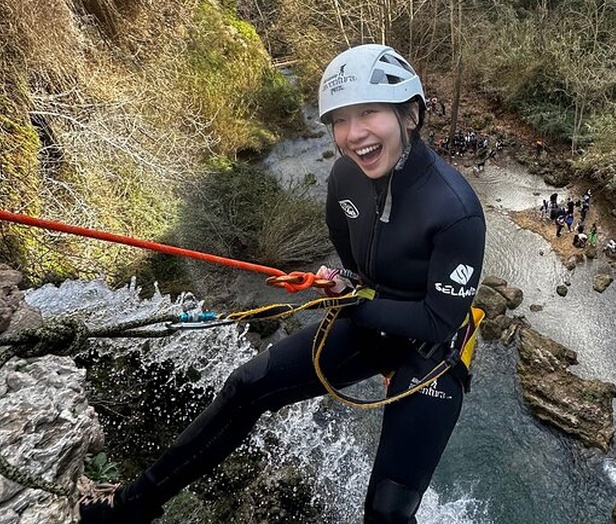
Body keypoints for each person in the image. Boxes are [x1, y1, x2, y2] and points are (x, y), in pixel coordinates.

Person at [78, 44, 486, 524]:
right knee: (246, 386)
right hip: (373, 319)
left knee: (387, 510)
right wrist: (348, 283)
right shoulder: (344, 178)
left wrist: (352, 302)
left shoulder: (456, 211)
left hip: (430, 351)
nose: (354, 135)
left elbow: (439, 321)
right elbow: (351, 252)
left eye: (370, 112)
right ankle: (130, 507)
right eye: (339, 119)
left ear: (411, 114)